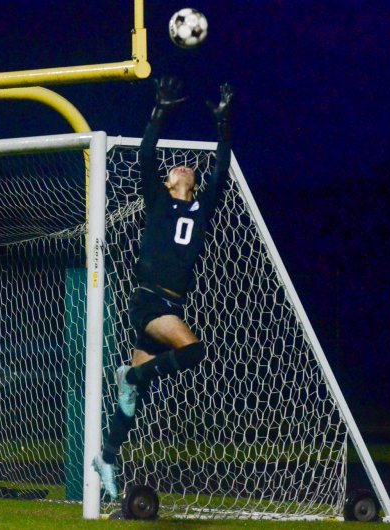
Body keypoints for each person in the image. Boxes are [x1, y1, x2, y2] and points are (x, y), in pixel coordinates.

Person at [93, 76, 233, 499]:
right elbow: (147, 156)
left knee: (131, 402)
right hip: (149, 300)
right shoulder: (158, 199)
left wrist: (223, 125)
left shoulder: (202, 205)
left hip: (169, 303)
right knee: (192, 351)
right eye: (176, 169)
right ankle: (131, 374)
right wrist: (160, 111)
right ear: (170, 183)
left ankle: (108, 457)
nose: (181, 167)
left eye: (184, 167)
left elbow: (222, 167)